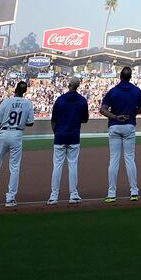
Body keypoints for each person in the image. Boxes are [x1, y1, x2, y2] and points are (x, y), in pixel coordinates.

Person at [0, 80, 35, 207]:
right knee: (15, 168)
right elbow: (31, 123)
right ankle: (10, 198)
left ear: (15, 90)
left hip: (3, 133)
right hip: (17, 134)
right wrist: (21, 122)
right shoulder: (28, 103)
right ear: (25, 91)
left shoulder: (6, 101)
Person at [100, 65, 141, 202]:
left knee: (114, 160)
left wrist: (115, 117)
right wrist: (131, 113)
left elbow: (103, 110)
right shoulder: (137, 91)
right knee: (130, 159)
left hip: (115, 125)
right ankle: (134, 192)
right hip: (129, 125)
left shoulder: (113, 91)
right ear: (130, 77)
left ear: (120, 76)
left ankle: (112, 193)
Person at [49, 76, 88, 204]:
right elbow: (85, 119)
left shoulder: (60, 100)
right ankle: (73, 194)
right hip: (74, 136)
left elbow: (53, 121)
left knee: (57, 166)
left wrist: (57, 133)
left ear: (69, 85)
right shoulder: (82, 100)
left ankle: (54, 196)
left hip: (60, 136)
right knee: (72, 166)